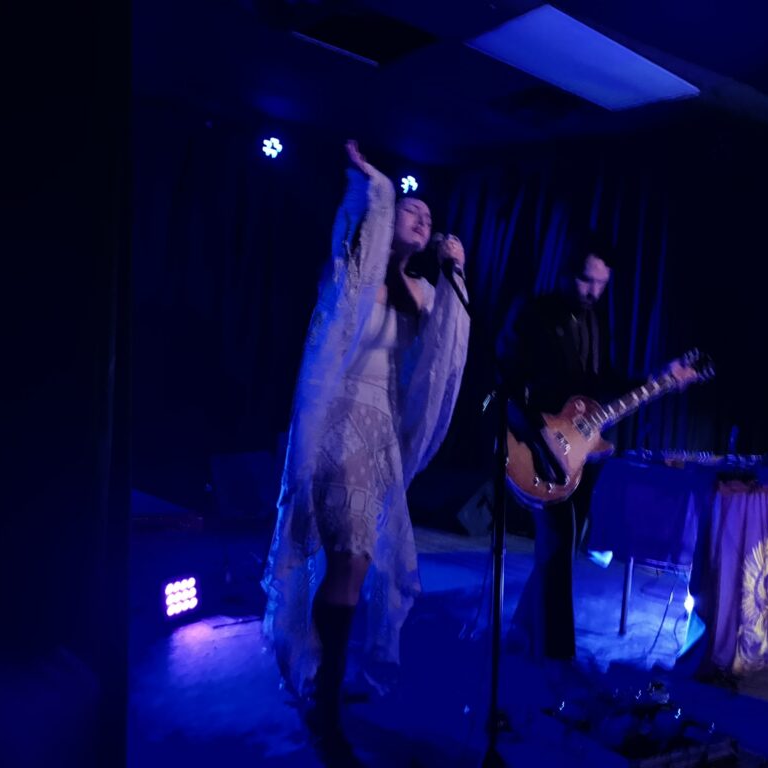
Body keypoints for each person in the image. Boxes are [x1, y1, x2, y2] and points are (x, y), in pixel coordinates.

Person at [261, 140, 470, 757]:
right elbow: (365, 235)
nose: (422, 219)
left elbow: (446, 353)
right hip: (338, 424)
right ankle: (327, 700)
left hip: (380, 437)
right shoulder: (351, 274)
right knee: (350, 558)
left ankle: (326, 677)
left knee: (354, 564)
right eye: (412, 210)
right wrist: (377, 187)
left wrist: (454, 269)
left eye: (430, 217)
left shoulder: (421, 294)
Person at [496, 235, 691, 669]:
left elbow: (600, 381)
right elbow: (505, 374)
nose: (592, 292)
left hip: (576, 450)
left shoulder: (595, 322)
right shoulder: (534, 312)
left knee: (558, 548)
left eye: (601, 284)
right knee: (559, 542)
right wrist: (540, 428)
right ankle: (559, 659)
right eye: (586, 281)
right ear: (568, 273)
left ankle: (525, 632)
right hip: (534, 441)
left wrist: (658, 377)